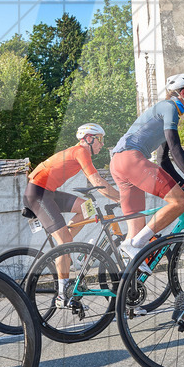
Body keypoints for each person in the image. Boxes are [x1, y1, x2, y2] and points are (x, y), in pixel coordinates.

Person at [23, 124, 120, 304]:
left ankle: (66, 247)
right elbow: (96, 180)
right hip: (38, 194)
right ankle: (62, 294)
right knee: (64, 243)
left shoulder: (79, 152)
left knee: (87, 207)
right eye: (100, 139)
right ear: (89, 138)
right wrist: (120, 198)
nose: (102, 143)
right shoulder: (81, 151)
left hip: (47, 192)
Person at [110, 73, 184, 266]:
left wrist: (183, 182)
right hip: (131, 159)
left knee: (135, 230)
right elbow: (175, 146)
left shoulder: (165, 112)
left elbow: (163, 159)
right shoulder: (169, 107)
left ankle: (128, 279)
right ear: (183, 93)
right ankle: (136, 244)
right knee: (180, 202)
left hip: (118, 163)